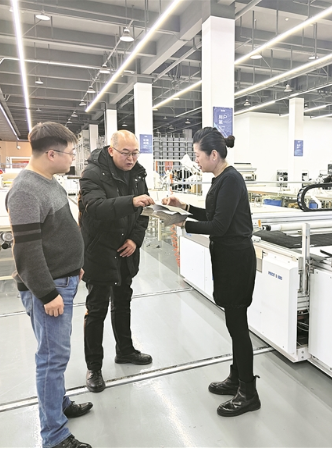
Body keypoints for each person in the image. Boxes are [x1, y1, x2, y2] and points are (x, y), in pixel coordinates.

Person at [162, 127, 260, 417]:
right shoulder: (220, 179)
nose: (197, 160)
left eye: (198, 155)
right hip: (227, 258)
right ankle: (236, 379)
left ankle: (248, 392)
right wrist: (184, 207)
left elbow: (219, 226)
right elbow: (214, 215)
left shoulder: (231, 180)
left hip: (236, 260)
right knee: (233, 324)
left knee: (237, 327)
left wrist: (181, 223)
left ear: (213, 154)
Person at [6, 122, 92, 448]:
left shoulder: (48, 181)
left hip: (62, 279)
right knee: (52, 359)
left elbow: (56, 232)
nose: (73, 158)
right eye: (70, 153)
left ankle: (60, 403)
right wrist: (47, 292)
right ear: (52, 154)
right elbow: (26, 250)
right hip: (49, 289)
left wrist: (74, 264)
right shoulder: (26, 191)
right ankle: (54, 436)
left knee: (57, 355)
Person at [78, 130, 155, 393]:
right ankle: (94, 367)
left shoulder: (138, 174)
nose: (131, 159)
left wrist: (135, 239)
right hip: (100, 251)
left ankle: (125, 350)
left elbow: (144, 212)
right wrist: (131, 201)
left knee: (122, 303)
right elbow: (96, 207)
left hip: (125, 251)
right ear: (111, 150)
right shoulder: (92, 174)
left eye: (135, 153)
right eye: (126, 153)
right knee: (96, 309)